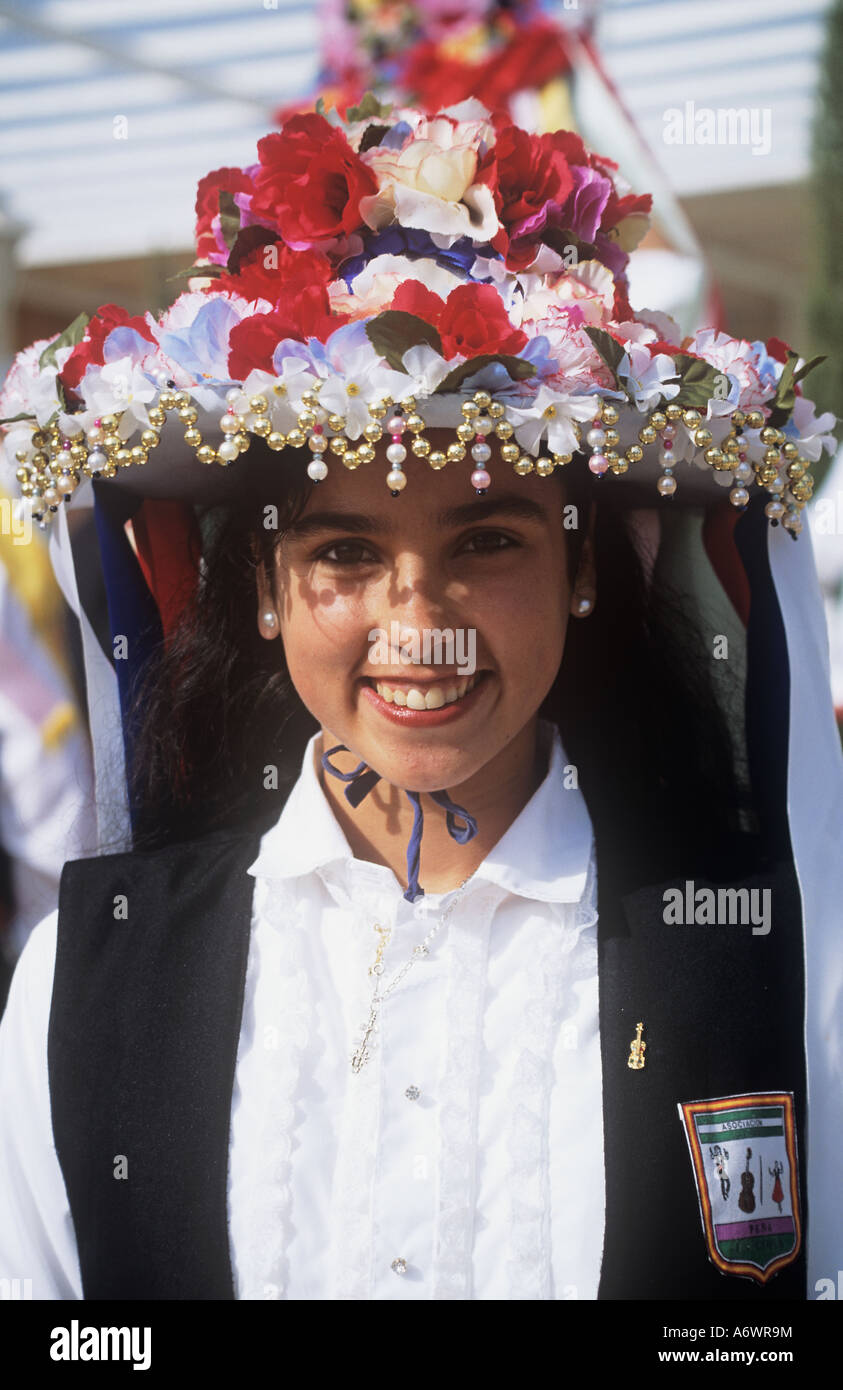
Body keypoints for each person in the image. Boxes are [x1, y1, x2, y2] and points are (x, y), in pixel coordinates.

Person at [0, 97, 840, 1301]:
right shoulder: (83, 979)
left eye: (490, 542)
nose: (419, 621)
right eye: (344, 555)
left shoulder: (777, 956)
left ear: (584, 568)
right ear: (268, 588)